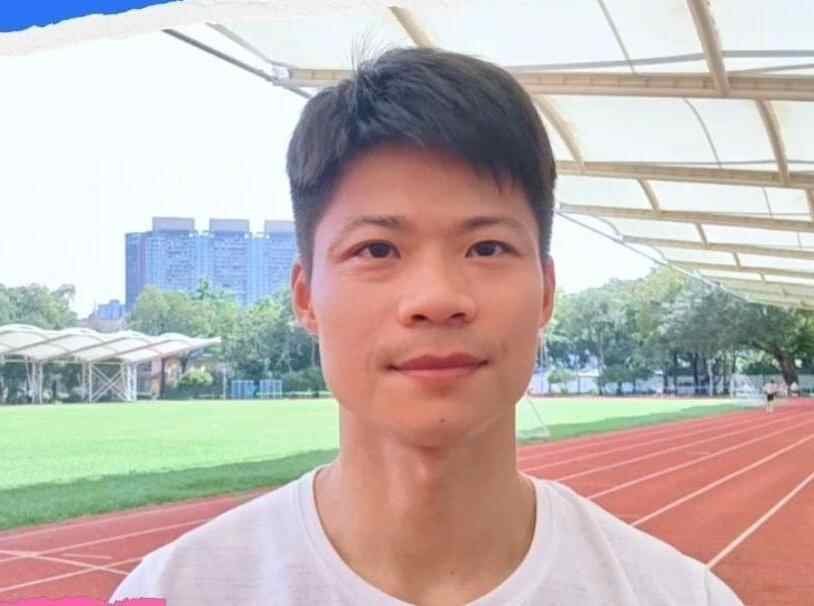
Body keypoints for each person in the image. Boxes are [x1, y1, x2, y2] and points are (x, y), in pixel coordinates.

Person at [111, 48, 742, 605]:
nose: (438, 299)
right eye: (377, 250)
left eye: (487, 248)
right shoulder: (175, 591)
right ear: (306, 297)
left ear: (547, 292)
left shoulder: (680, 597)